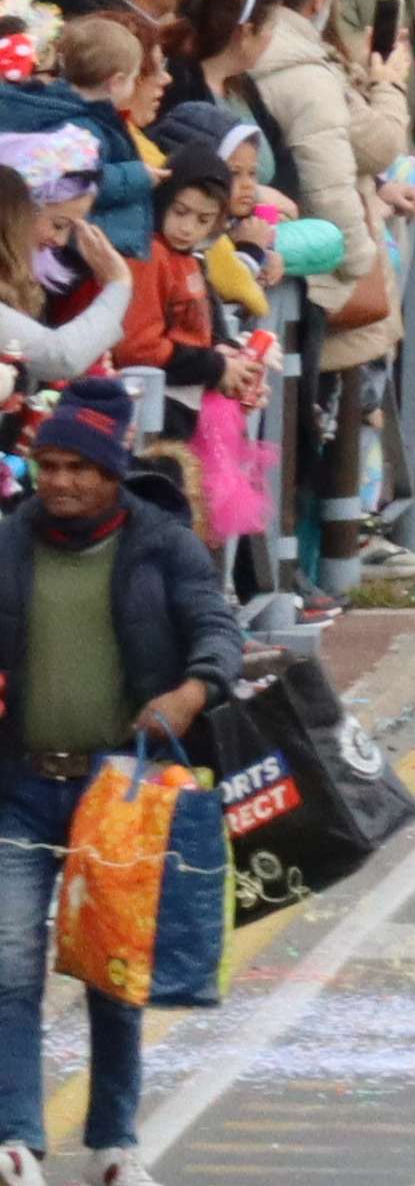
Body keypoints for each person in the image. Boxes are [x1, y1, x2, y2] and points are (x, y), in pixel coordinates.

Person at [0, 380, 240, 1175]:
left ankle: (113, 1143)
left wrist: (191, 688)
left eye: (79, 467)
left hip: (120, 799)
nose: (61, 481)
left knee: (114, 969)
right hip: (19, 789)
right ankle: (17, 1140)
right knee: (8, 965)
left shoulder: (162, 543)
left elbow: (216, 625)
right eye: (49, 464)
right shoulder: (9, 541)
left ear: (112, 471)